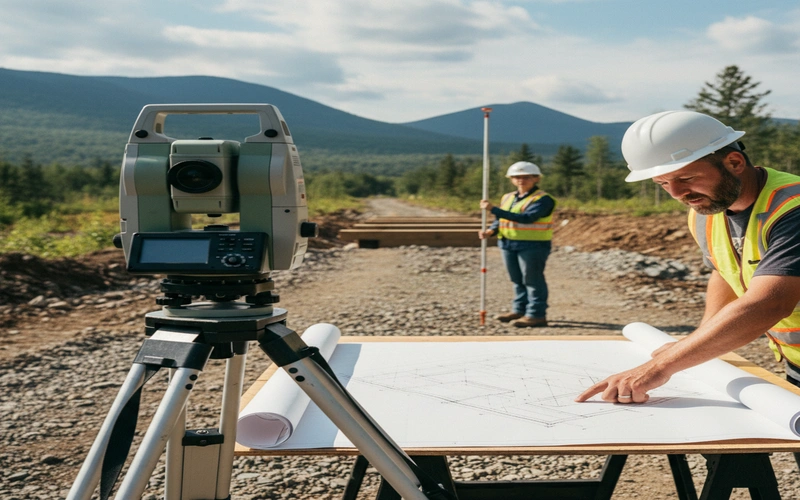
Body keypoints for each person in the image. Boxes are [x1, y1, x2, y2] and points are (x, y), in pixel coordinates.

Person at [575, 110, 800, 405]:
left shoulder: (792, 209)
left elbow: (769, 303)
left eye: (687, 178)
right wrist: (700, 340)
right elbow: (724, 272)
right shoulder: (705, 214)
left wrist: (658, 368)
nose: (677, 193)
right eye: (663, 184)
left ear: (734, 162)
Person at [479, 161, 556, 328]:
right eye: (517, 177)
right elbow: (501, 219)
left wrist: (493, 209)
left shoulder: (543, 200)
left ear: (536, 179)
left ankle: (536, 314)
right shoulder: (508, 197)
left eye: (526, 177)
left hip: (533, 245)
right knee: (517, 279)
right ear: (512, 179)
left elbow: (527, 218)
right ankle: (519, 310)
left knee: (533, 279)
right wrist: (491, 231)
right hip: (508, 243)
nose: (521, 180)